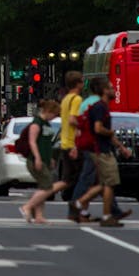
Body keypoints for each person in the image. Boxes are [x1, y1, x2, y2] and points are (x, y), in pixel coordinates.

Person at [72, 77, 131, 226]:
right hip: (101, 150)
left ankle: (81, 204)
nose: (114, 90)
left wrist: (121, 147)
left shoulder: (101, 106)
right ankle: (103, 214)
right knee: (108, 183)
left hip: (100, 149)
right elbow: (98, 129)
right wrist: (110, 133)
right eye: (111, 88)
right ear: (104, 90)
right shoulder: (100, 107)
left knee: (104, 184)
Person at [19, 98, 65, 224]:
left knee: (42, 187)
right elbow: (32, 142)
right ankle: (27, 206)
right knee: (48, 186)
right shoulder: (36, 123)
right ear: (48, 111)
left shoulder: (45, 124)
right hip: (35, 160)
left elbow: (46, 143)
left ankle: (39, 216)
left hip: (44, 159)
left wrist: (49, 158)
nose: (54, 117)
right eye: (54, 114)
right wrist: (37, 158)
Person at [59, 71, 85, 217]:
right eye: (82, 81)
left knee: (69, 179)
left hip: (65, 142)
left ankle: (74, 205)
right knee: (81, 178)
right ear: (78, 84)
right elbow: (73, 120)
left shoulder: (65, 99)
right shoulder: (76, 100)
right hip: (73, 144)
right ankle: (76, 207)